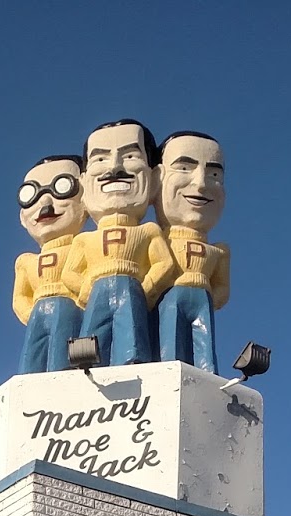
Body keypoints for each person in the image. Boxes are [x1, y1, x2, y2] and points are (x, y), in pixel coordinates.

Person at [65, 119, 175, 365]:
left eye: (130, 156)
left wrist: (145, 288)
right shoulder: (84, 239)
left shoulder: (147, 230)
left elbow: (164, 263)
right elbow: (69, 273)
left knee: (132, 327)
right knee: (93, 328)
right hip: (97, 288)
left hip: (131, 285)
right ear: (84, 181)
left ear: (155, 177)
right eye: (100, 159)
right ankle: (85, 361)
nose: (114, 168)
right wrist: (86, 290)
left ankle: (133, 358)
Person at [153, 131, 229, 371]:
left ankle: (207, 371)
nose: (201, 183)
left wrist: (209, 298)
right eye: (184, 168)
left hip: (202, 300)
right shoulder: (152, 239)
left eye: (214, 174)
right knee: (170, 339)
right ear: (156, 179)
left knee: (204, 341)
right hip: (168, 299)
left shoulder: (218, 251)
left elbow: (222, 288)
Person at [13, 154, 87, 373]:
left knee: (61, 359)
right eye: (31, 195)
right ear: (23, 216)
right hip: (38, 313)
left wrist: (80, 305)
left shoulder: (84, 245)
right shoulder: (26, 261)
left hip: (69, 309)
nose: (45, 204)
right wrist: (33, 315)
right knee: (32, 358)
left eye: (61, 188)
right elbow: (20, 297)